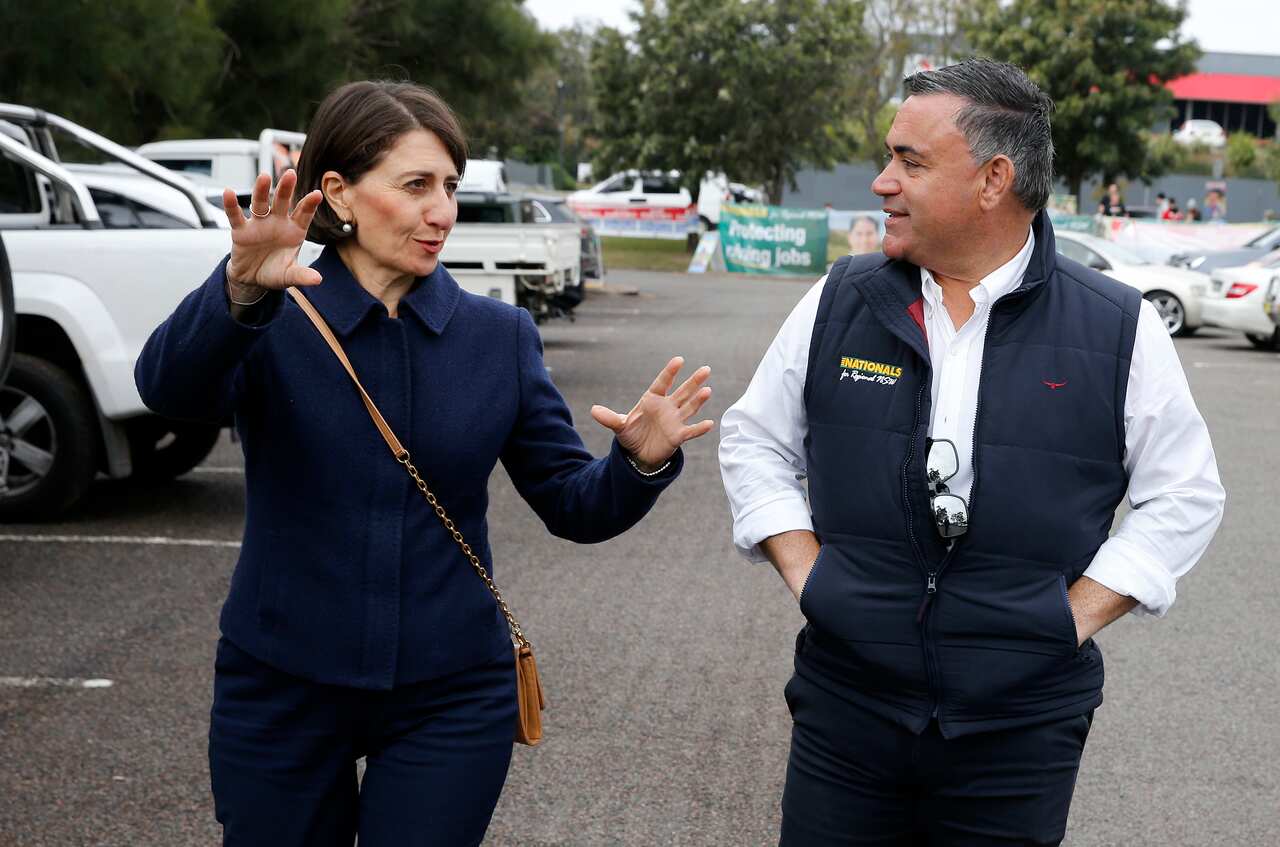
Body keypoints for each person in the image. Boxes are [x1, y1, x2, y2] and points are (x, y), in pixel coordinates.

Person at [135, 80, 715, 847]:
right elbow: (168, 390)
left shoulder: (498, 336)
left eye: (450, 186)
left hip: (451, 692)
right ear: (337, 191)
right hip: (281, 680)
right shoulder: (269, 316)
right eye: (415, 186)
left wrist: (636, 465)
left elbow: (573, 503)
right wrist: (238, 291)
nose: (441, 210)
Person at [719, 59, 1224, 846]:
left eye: (909, 161)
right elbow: (754, 438)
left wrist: (1069, 618)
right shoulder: (840, 299)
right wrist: (808, 572)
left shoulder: (1118, 326)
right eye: (889, 156)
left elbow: (1186, 494)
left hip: (1020, 733)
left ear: (994, 179)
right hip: (845, 714)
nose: (882, 182)